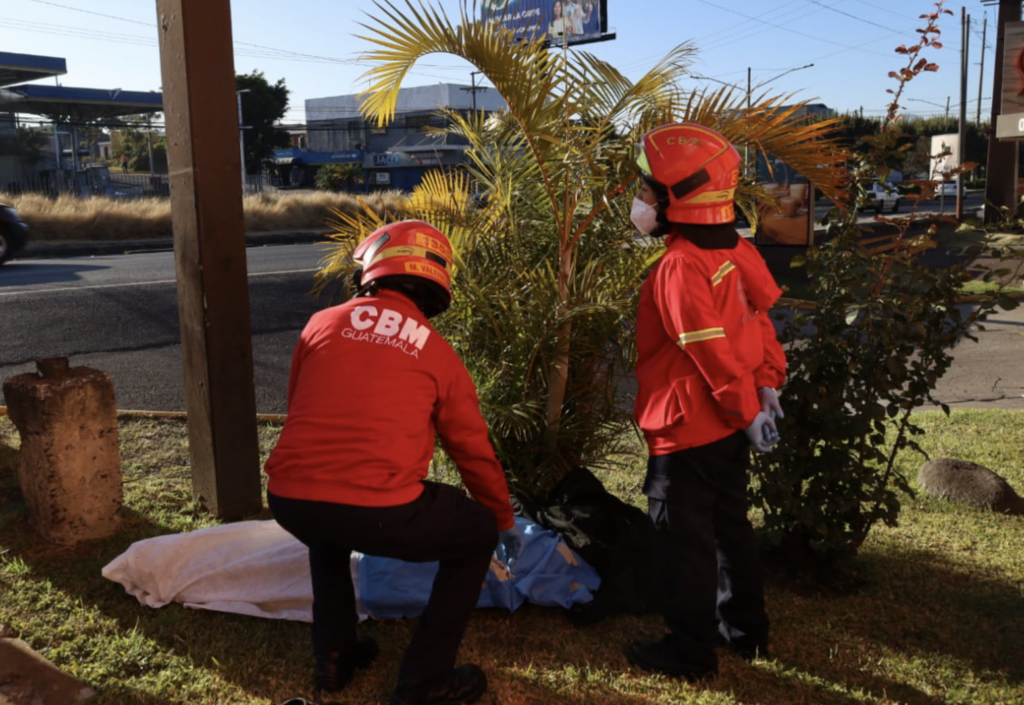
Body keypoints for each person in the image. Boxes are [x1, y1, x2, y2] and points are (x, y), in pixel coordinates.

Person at [265, 220, 523, 705]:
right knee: (476, 533)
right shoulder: (437, 351)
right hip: (380, 510)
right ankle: (425, 681)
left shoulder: (321, 323)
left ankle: (335, 656)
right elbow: (472, 448)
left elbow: (298, 402)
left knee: (327, 533)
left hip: (290, 498)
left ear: (371, 270)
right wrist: (502, 519)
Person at [625, 123, 786, 681]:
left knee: (683, 541)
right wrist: (765, 389)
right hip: (729, 424)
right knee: (729, 526)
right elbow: (759, 325)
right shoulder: (736, 250)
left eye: (646, 190)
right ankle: (746, 631)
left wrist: (749, 408)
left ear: (678, 196)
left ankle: (688, 651)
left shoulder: (679, 265)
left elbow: (709, 350)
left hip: (687, 426)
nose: (639, 201)